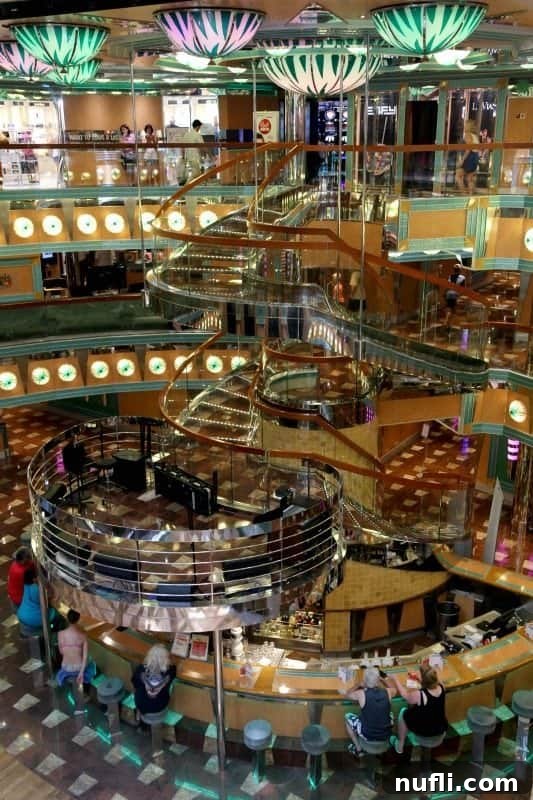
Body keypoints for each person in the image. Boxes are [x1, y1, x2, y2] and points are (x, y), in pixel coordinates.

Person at [389, 664, 448, 754]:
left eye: (419, 673)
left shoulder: (419, 694)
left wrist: (395, 679)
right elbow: (431, 682)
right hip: (440, 729)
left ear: (424, 680)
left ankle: (400, 745)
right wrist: (420, 679)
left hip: (425, 732)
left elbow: (404, 695)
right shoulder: (442, 686)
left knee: (403, 712)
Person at [340, 666, 396, 756]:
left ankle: (358, 749)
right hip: (386, 733)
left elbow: (347, 694)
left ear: (365, 681)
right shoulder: (388, 692)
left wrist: (358, 685)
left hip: (367, 734)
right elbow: (394, 689)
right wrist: (382, 679)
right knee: (390, 713)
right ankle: (390, 738)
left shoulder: (361, 693)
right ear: (377, 681)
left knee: (347, 717)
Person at [132, 643, 176, 720]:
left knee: (139, 694)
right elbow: (173, 670)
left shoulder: (141, 669)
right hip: (160, 705)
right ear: (166, 658)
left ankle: (139, 713)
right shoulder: (170, 671)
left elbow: (134, 682)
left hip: (140, 703)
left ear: (149, 656)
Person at [56, 609, 95, 686]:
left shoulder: (60, 634)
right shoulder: (83, 635)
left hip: (65, 667)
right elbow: (85, 657)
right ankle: (88, 684)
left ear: (67, 619)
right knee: (91, 661)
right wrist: (81, 673)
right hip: (78, 668)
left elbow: (61, 652)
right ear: (78, 620)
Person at [7, 546, 35, 611]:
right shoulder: (22, 572)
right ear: (24, 560)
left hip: (13, 595)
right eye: (29, 558)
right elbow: (33, 583)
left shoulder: (15, 563)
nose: (31, 559)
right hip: (19, 599)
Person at [456, 120, 480, 193]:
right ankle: (470, 195)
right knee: (469, 178)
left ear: (468, 126)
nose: (464, 126)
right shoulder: (475, 136)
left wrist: (462, 160)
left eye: (465, 125)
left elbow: (468, 149)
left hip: (470, 157)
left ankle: (464, 194)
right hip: (475, 157)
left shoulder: (468, 135)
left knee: (458, 175)